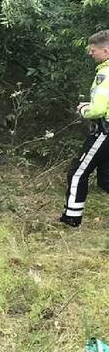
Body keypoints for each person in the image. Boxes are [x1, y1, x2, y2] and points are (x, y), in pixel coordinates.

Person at [61, 30, 109, 227]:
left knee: (77, 172)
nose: (90, 54)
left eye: (93, 50)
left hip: (104, 132)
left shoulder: (105, 74)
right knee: (106, 180)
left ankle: (71, 218)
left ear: (106, 51)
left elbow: (98, 109)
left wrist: (83, 109)